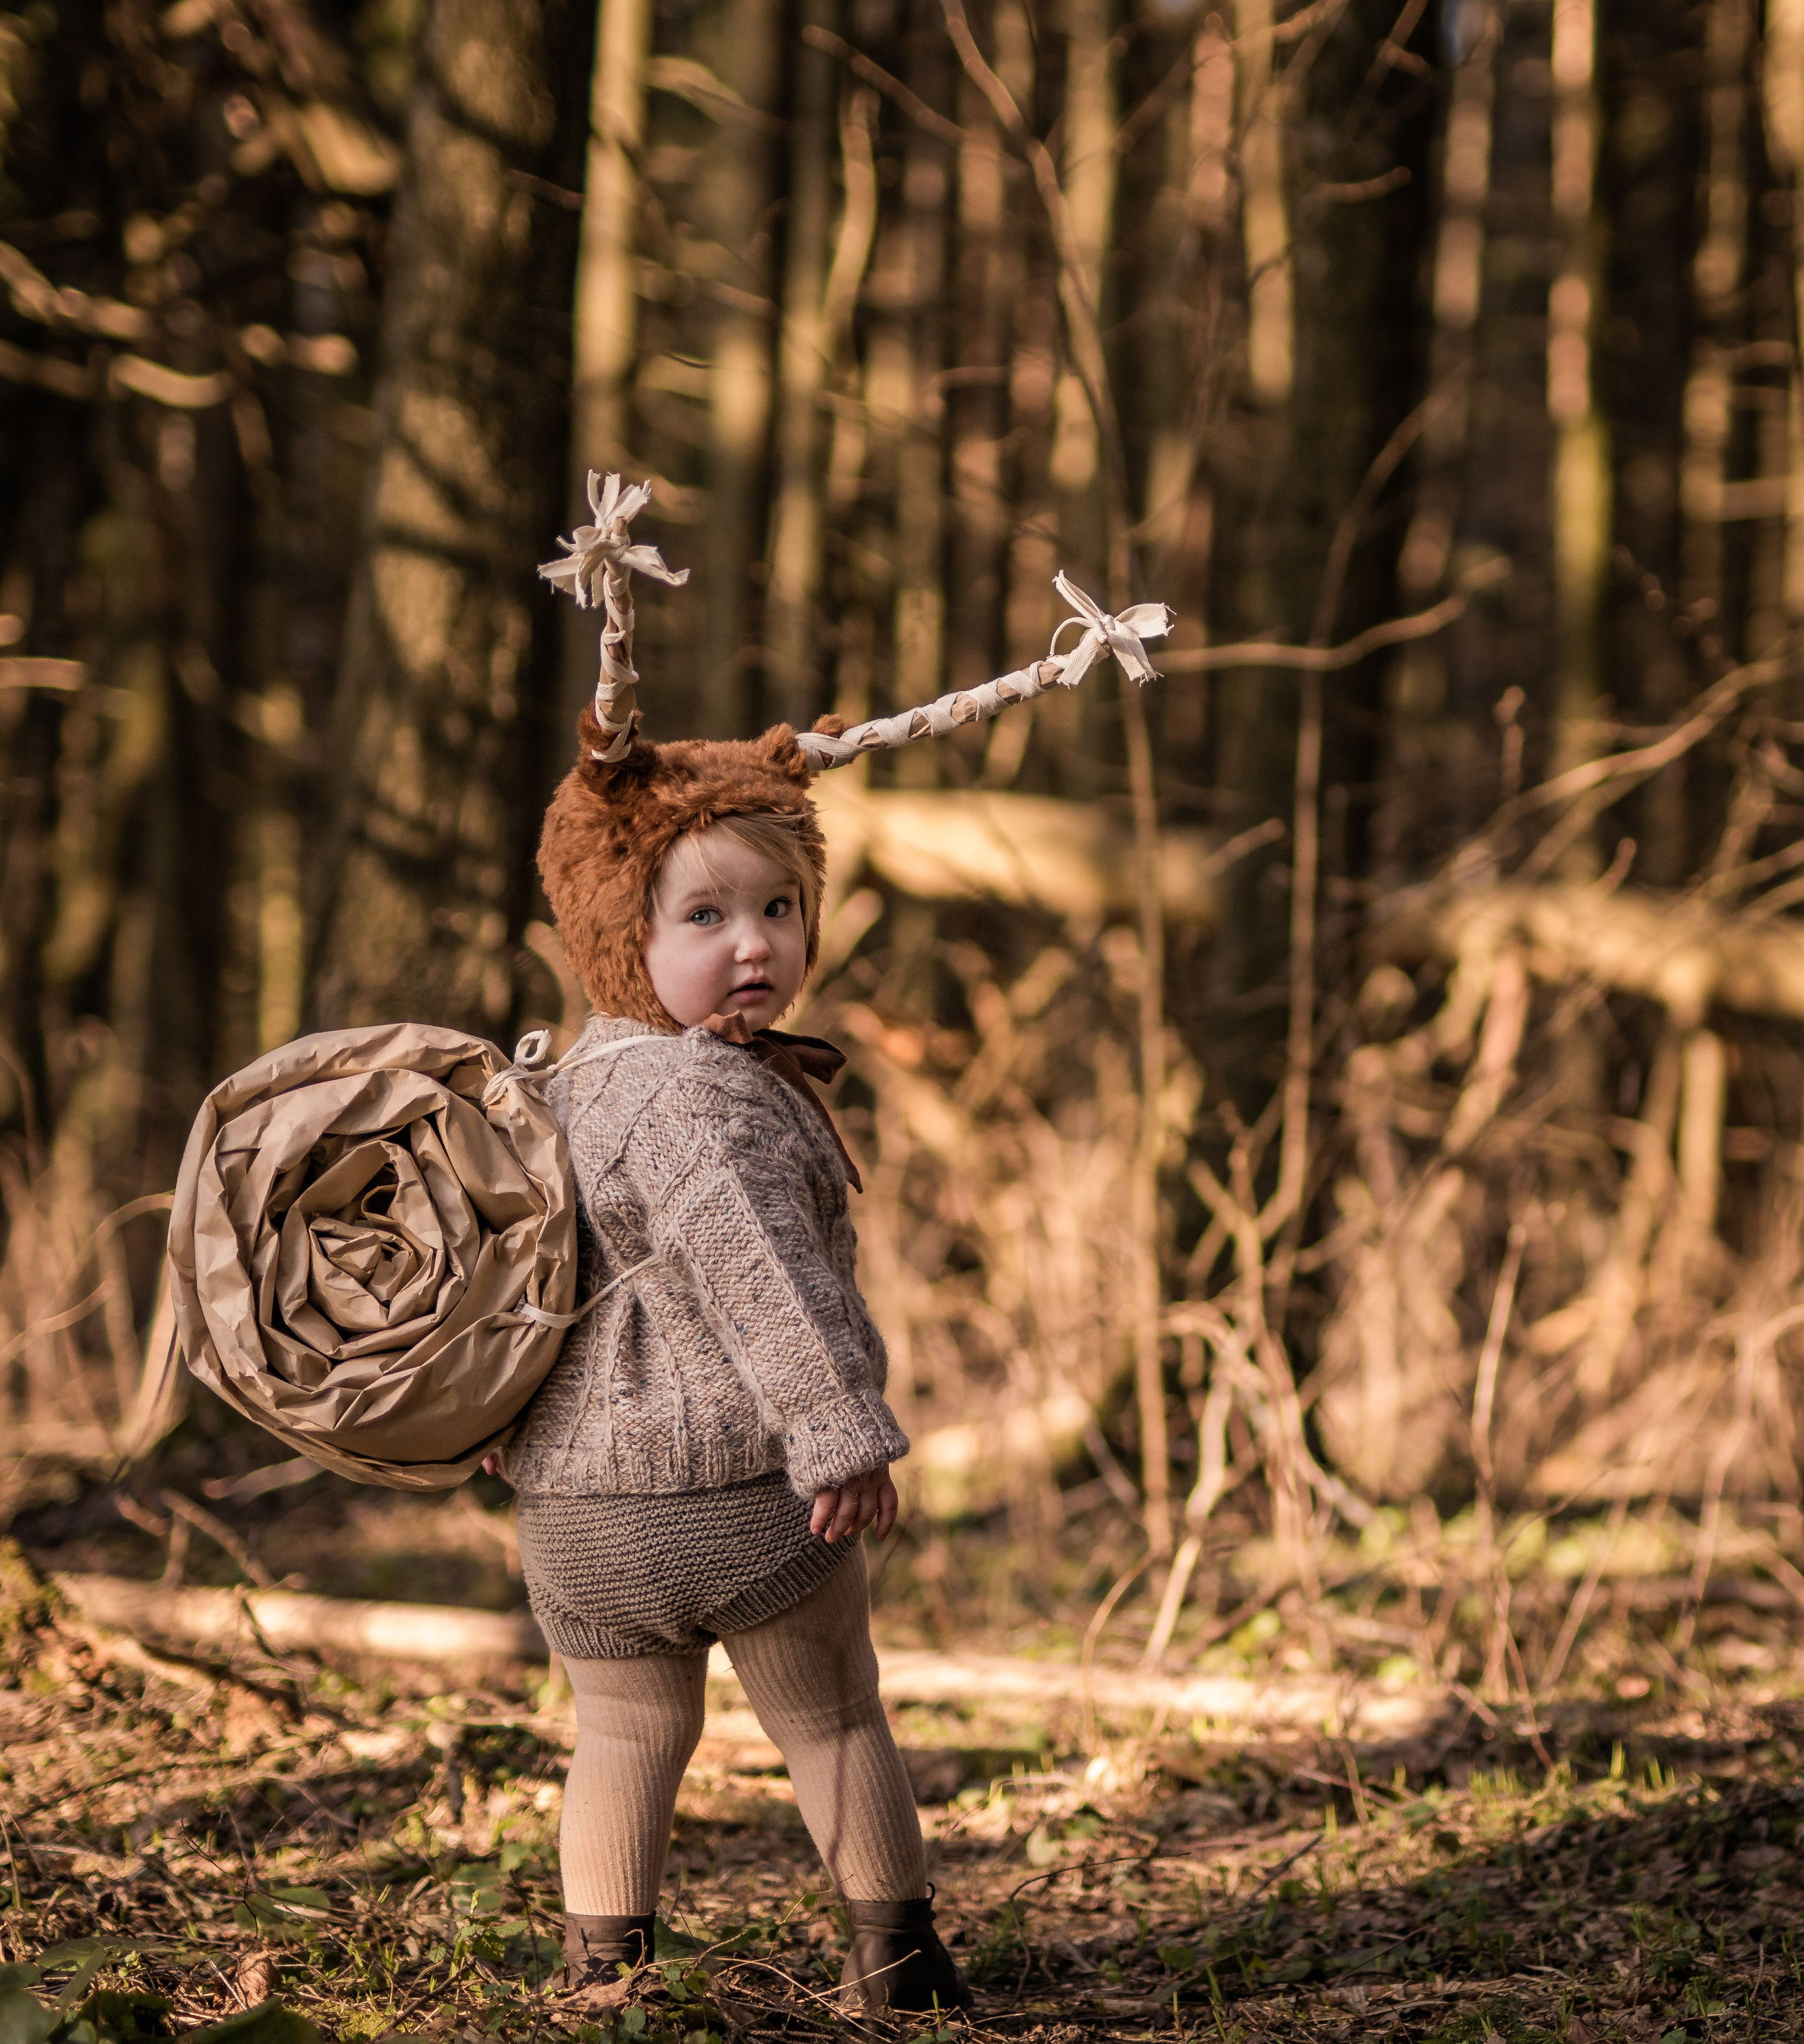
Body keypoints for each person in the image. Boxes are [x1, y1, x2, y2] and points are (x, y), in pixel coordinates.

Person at [498, 714, 970, 2017]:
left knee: (624, 1733)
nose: (754, 942)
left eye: (779, 906)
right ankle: (899, 1968)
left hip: (580, 1513)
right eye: (704, 915)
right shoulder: (705, 1096)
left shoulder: (573, 1083)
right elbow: (763, 1274)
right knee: (830, 1721)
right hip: (738, 1494)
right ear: (624, 937)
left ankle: (605, 1980)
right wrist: (839, 1429)